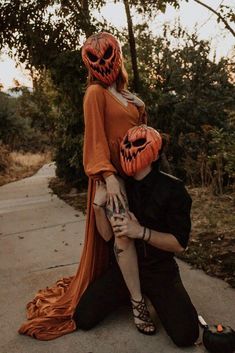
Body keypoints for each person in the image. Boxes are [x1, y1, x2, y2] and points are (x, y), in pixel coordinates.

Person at [18, 32, 149, 340]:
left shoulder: (126, 95)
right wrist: (108, 177)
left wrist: (139, 107)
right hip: (111, 177)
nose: (103, 64)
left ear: (117, 56)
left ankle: (142, 286)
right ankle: (137, 303)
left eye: (107, 57)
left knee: (140, 230)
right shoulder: (95, 94)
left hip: (137, 173)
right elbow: (95, 140)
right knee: (121, 235)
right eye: (96, 59)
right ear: (89, 64)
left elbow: (141, 134)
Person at [73, 125, 199, 347]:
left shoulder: (174, 189)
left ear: (156, 153)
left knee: (186, 335)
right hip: (123, 270)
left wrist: (140, 232)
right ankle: (134, 297)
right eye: (127, 144)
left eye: (139, 144)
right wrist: (97, 207)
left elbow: (179, 244)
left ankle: (152, 296)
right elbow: (107, 237)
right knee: (83, 318)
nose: (131, 149)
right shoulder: (119, 185)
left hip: (159, 270)